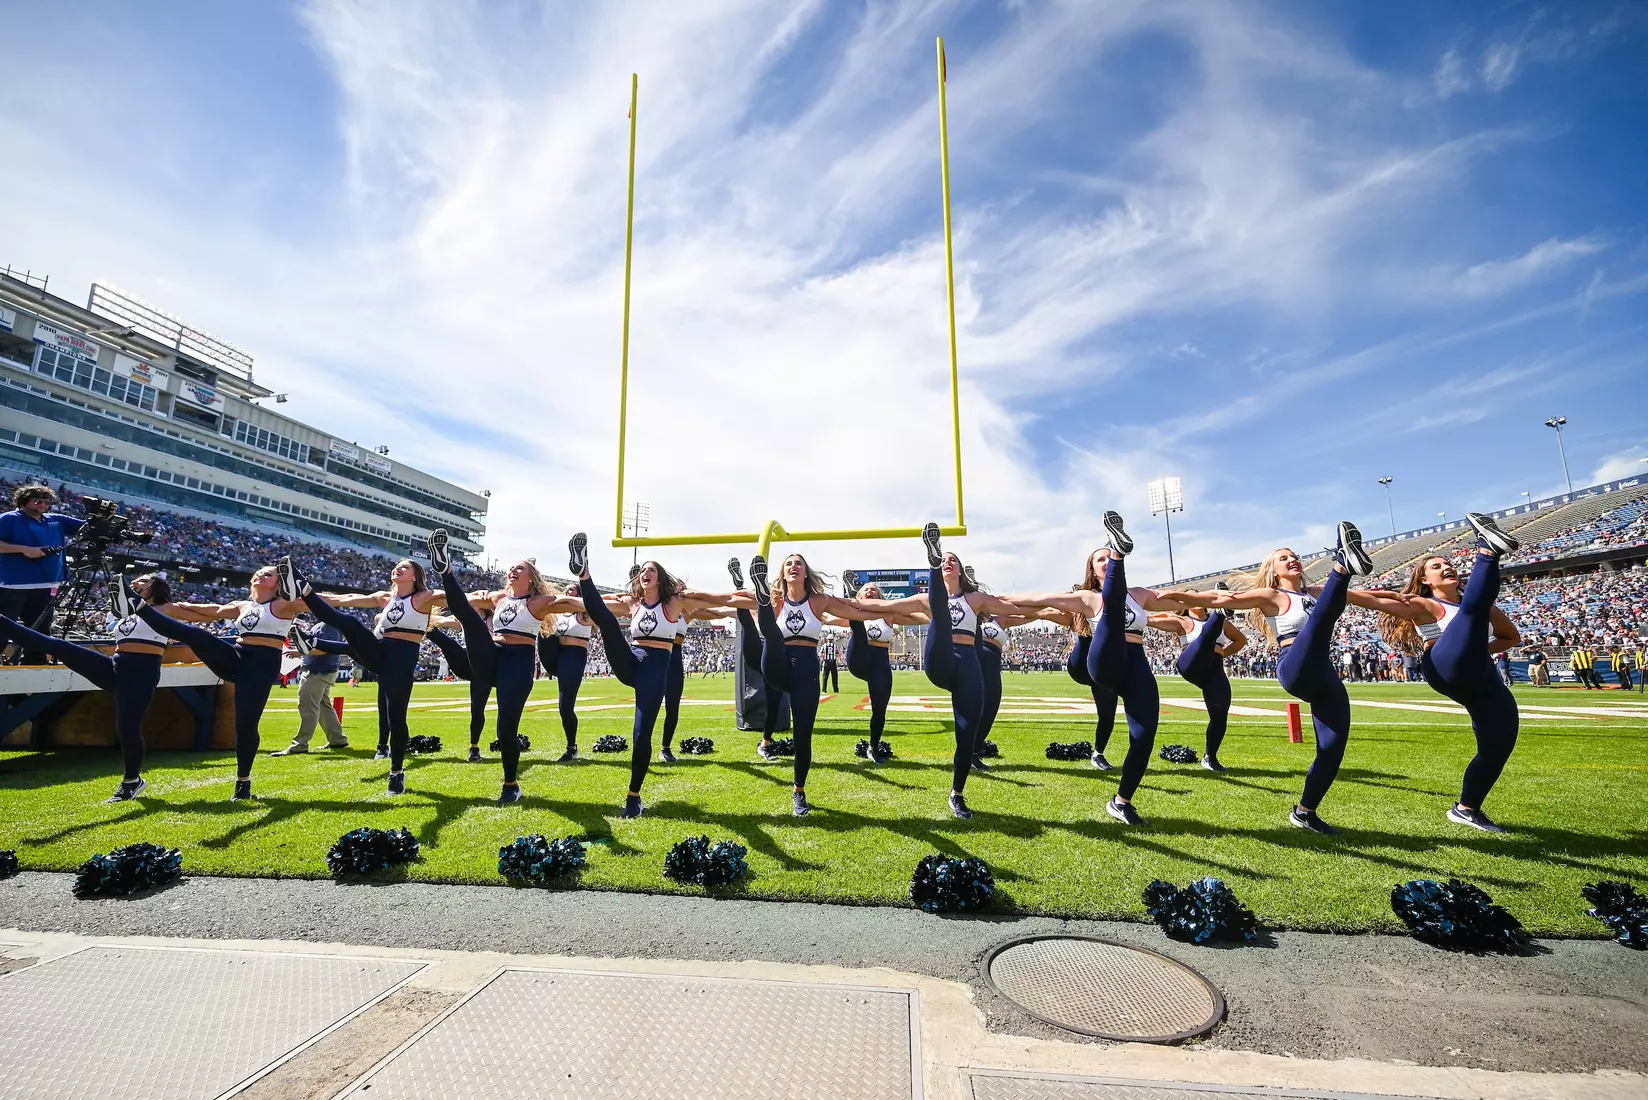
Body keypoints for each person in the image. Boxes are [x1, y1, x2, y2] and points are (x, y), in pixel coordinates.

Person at [1161, 521, 1376, 834]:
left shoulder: (1318, 593)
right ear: (1274, 571)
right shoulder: (1270, 595)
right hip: (1295, 665)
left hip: (1323, 672)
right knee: (1320, 621)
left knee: (1333, 748)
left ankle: (1305, 812)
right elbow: (1225, 601)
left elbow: (1377, 600)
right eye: (1283, 558)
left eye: (1294, 556)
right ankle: (1343, 564)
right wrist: (1179, 596)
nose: (1292, 560)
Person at [999, 513, 1192, 826]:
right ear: (1092, 570)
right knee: (1110, 612)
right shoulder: (1087, 597)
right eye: (1100, 558)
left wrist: (1222, 601)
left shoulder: (1139, 595)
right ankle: (1121, 549)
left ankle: (1121, 801)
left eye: (1108, 557)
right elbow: (1038, 600)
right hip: (1102, 661)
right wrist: (987, 603)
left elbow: (1177, 599)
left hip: (1135, 663)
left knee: (1144, 736)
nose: (1102, 562)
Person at [847, 523, 1029, 819]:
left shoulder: (977, 599)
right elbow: (882, 606)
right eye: (944, 559)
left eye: (951, 560)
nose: (949, 562)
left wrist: (1061, 605)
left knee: (967, 732)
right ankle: (930, 567)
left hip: (967, 661)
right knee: (939, 609)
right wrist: (846, 603)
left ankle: (957, 794)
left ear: (960, 571)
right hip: (940, 659)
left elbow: (1013, 606)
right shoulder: (927, 600)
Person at [1354, 513, 1522, 832]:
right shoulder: (1426, 605)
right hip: (1444, 667)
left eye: (1448, 563)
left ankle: (1467, 808)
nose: (1446, 567)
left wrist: (1477, 649)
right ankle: (1488, 550)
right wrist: (1337, 589)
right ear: (1426, 580)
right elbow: (1378, 602)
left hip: (1480, 672)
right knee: (1471, 609)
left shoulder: (1483, 606)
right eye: (1436, 566)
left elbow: (1511, 637)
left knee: (1499, 743)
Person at [566, 533, 752, 817]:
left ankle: (633, 795)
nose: (645, 573)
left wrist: (757, 596)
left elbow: (717, 599)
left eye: (651, 570)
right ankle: (584, 571)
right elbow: (592, 607)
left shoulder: (675, 603)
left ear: (660, 578)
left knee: (641, 735)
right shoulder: (633, 603)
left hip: (656, 669)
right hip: (631, 660)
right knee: (604, 618)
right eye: (642, 571)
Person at [0, 573, 187, 802]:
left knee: (127, 729)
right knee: (59, 646)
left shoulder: (167, 608)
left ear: (156, 586)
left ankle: (132, 781)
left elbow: (202, 613)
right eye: (135, 580)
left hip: (140, 676)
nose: (135, 583)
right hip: (114, 668)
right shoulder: (127, 612)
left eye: (142, 580)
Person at [743, 548, 901, 816]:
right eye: (789, 563)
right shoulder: (777, 600)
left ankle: (799, 791)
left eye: (799, 564)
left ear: (805, 572)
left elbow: (856, 610)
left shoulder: (819, 601)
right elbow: (724, 600)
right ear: (783, 573)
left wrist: (915, 604)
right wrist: (692, 599)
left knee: (803, 735)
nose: (794, 566)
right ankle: (759, 592)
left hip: (805, 667)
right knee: (770, 633)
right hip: (777, 661)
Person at [131, 564, 307, 800]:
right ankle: (143, 610)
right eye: (259, 572)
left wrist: (371, 599)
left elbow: (327, 602)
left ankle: (243, 783)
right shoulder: (242, 606)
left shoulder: (284, 604)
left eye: (268, 574)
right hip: (236, 658)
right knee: (198, 635)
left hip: (261, 667)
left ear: (278, 583)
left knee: (245, 726)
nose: (260, 575)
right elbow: (209, 610)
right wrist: (170, 608)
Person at [429, 533, 582, 803]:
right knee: (469, 618)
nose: (513, 570)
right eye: (512, 567)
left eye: (519, 568)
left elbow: (580, 604)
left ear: (531, 578)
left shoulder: (539, 602)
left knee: (505, 729)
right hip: (493, 655)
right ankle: (446, 569)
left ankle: (511, 785)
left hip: (518, 664)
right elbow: (457, 601)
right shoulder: (497, 598)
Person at [278, 554, 447, 797]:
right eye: (398, 565)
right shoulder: (384, 597)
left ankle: (397, 773)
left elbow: (463, 598)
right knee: (349, 622)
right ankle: (304, 589)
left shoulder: (424, 597)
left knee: (396, 719)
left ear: (415, 576)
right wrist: (301, 599)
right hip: (379, 650)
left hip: (401, 659)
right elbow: (343, 599)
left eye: (406, 567)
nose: (399, 568)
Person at [838, 577, 923, 763]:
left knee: (880, 708)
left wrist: (937, 614)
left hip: (879, 662)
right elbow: (827, 616)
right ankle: (851, 598)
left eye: (873, 590)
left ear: (879, 596)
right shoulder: (852, 614)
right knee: (857, 624)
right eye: (865, 589)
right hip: (859, 657)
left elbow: (917, 617)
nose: (869, 591)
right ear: (860, 595)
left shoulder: (889, 614)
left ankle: (873, 747)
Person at [0, 485, 86, 662]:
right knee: (3, 629)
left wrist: (104, 515)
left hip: (46, 586)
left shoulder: (56, 519)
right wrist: (25, 550)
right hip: (13, 586)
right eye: (37, 501)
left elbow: (88, 527)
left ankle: (33, 667)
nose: (42, 505)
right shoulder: (8, 519)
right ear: (24, 500)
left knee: (40, 633)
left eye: (47, 502)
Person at [1169, 593, 1248, 771]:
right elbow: (1151, 621)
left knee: (1220, 713)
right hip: (1191, 665)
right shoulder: (1181, 621)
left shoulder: (1224, 626)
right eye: (1191, 597)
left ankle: (1210, 757)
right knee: (1205, 638)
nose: (1195, 599)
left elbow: (1241, 640)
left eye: (1199, 596)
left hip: (1214, 669)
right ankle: (1219, 613)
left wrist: (1221, 653)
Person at [271, 620, 350, 754]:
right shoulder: (330, 625)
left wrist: (300, 652)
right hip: (322, 670)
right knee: (324, 706)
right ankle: (337, 739)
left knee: (308, 706)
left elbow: (325, 649)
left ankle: (300, 743)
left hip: (317, 671)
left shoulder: (327, 626)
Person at [536, 582, 594, 761]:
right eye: (567, 589)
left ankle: (572, 747)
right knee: (564, 706)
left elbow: (600, 613)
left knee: (565, 706)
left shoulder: (585, 614)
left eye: (573, 590)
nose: (568, 592)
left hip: (574, 657)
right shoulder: (557, 614)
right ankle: (571, 747)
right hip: (558, 656)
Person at [424, 616, 493, 761]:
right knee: (445, 641)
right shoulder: (465, 617)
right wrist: (430, 619)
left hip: (485, 666)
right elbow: (445, 621)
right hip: (465, 662)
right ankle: (418, 624)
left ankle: (474, 747)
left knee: (477, 708)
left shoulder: (494, 618)